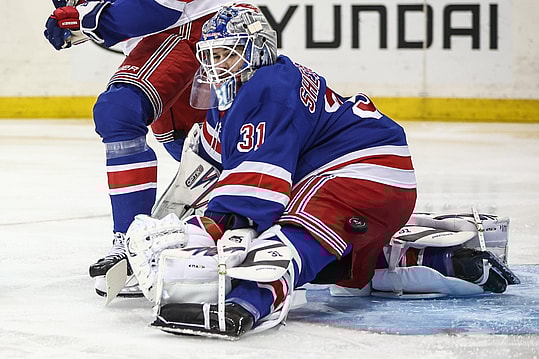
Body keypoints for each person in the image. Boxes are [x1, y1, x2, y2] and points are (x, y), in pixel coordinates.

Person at [124, 3, 519, 339]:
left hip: (363, 170)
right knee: (333, 267)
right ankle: (440, 263)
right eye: (209, 56)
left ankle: (248, 303)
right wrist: (181, 218)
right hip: (368, 177)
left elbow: (257, 187)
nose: (215, 66)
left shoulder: (267, 86)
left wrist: (199, 231)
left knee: (286, 235)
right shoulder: (240, 93)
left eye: (226, 54)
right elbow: (209, 168)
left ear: (258, 51)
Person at [43, 0, 233, 296]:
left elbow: (159, 8)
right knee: (205, 155)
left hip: (195, 27)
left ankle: (133, 245)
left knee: (119, 110)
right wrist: (88, 16)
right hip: (187, 31)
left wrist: (87, 18)